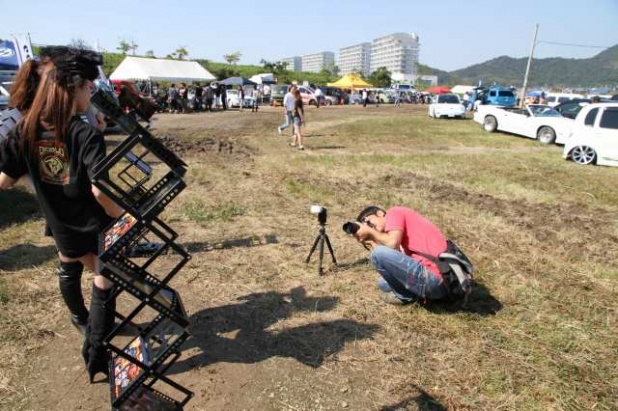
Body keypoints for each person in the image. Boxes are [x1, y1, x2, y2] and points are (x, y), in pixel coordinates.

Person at [0, 48, 124, 382]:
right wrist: (124, 215)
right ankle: (97, 350)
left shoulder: (24, 130)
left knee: (71, 266)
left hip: (60, 225)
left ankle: (82, 322)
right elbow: (100, 191)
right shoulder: (84, 134)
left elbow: (5, 180)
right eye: (89, 89)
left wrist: (41, 183)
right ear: (77, 86)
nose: (90, 95)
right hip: (93, 223)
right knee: (106, 275)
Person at [350, 206, 448, 305]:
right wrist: (371, 241)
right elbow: (393, 261)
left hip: (436, 278)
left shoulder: (394, 212)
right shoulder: (397, 234)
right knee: (383, 284)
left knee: (378, 253)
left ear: (380, 213)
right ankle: (415, 295)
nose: (369, 227)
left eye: (367, 221)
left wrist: (370, 231)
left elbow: (391, 245)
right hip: (436, 281)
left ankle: (406, 297)